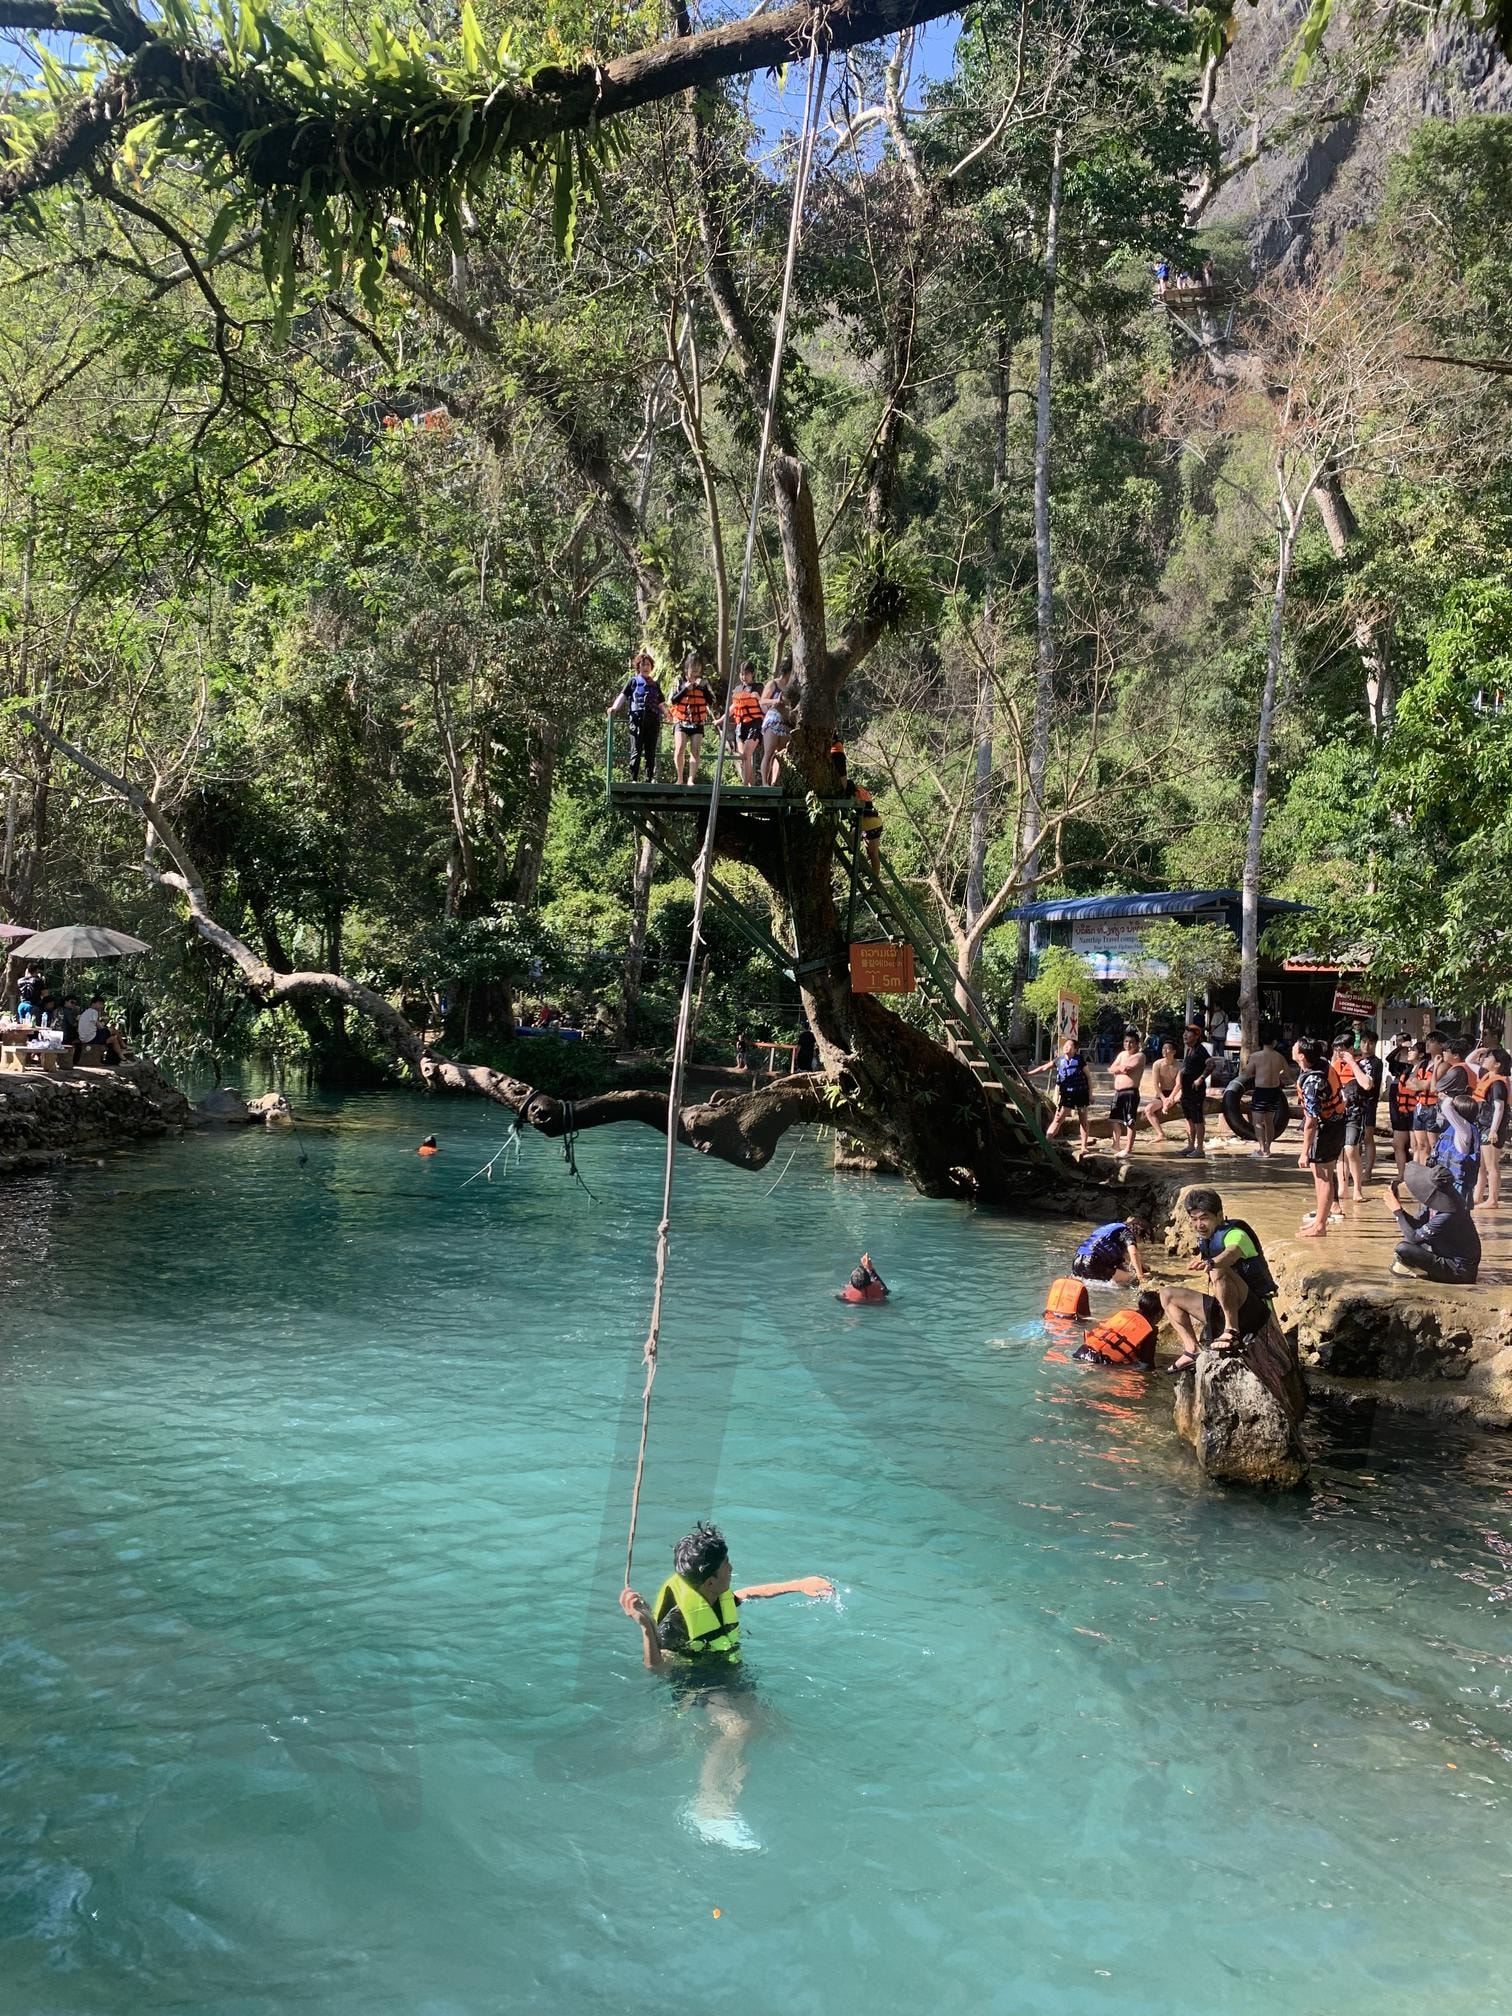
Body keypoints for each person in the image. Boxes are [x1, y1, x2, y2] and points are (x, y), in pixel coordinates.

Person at [619, 1523, 833, 1850]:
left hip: (727, 1673)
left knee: (776, 1729)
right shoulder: (676, 1619)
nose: (732, 1569)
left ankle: (742, 1793)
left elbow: (746, 1594)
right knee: (740, 1728)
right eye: (726, 1567)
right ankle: (708, 1812)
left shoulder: (715, 1593)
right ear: (710, 1581)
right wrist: (646, 1626)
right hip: (696, 1681)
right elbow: (657, 1668)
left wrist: (798, 1584)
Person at [1163, 1187, 1278, 1366]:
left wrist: (1212, 1263)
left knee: (1218, 1269)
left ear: (1219, 1215)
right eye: (1194, 1219)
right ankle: (1192, 1349)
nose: (1199, 1225)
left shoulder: (1236, 1234)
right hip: (1227, 1306)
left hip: (1255, 1312)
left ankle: (1232, 1331)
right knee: (1167, 1294)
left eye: (1204, 1218)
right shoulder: (1206, 1238)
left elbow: (1231, 1253)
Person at [1386, 1163, 1481, 1284]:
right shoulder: (1437, 1206)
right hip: (1446, 1253)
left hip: (1458, 1270)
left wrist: (1397, 1211)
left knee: (1403, 1248)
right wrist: (1400, 1210)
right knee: (1410, 1246)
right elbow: (1419, 1227)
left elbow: (1413, 1238)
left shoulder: (1448, 1214)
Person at [1295, 1037, 1347, 1238]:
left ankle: (1320, 1227)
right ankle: (1319, 1221)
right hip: (1335, 1123)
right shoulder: (1321, 1065)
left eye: (1295, 1047)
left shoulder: (1312, 1082)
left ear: (1301, 1056)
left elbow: (1311, 1121)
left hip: (1327, 1128)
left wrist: (1304, 1152)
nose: (1292, 1048)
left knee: (1323, 1177)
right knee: (1322, 1175)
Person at [607, 649, 664, 782]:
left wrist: (668, 714)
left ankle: (649, 778)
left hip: (653, 721)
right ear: (638, 666)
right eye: (643, 664)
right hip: (637, 720)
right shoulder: (633, 681)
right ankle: (634, 778)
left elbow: (660, 703)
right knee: (636, 750)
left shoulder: (655, 685)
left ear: (651, 667)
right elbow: (623, 696)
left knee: (651, 751)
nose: (646, 667)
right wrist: (614, 708)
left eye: (648, 665)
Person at [1235, 1030, 1290, 1159]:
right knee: (1269, 1121)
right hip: (1274, 1090)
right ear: (1274, 1043)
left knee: (1258, 1122)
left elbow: (1246, 1074)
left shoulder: (1256, 1056)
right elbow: (1288, 1073)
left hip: (1261, 1090)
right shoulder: (1279, 1057)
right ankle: (1268, 1148)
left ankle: (1261, 1149)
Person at [1033, 1035, 1092, 1155]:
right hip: (1066, 1095)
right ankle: (1046, 1141)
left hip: (1081, 1093)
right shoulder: (1059, 1060)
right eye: (1066, 1045)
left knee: (1083, 1120)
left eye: (1070, 1045)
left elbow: (1089, 1077)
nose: (1066, 1047)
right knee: (1058, 1119)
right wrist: (1028, 1074)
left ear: (1075, 1049)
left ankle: (1084, 1146)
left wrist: (1090, 1095)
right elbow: (1044, 1067)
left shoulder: (1080, 1060)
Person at [1074, 1290, 1162, 1368]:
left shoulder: (1124, 1314)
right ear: (1159, 1314)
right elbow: (1146, 1364)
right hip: (1102, 1362)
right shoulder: (1150, 1331)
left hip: (1082, 1351)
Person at [667, 651, 716, 785]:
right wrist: (684, 689)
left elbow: (711, 701)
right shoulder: (678, 680)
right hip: (681, 720)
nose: (695, 669)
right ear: (686, 667)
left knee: (695, 750)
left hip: (698, 720)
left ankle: (691, 779)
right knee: (680, 747)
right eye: (693, 666)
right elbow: (672, 700)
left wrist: (703, 688)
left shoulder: (704, 682)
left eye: (698, 666)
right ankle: (680, 778)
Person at [1071, 1214, 1150, 1287]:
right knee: (1131, 1278)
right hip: (1092, 1263)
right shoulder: (1127, 1232)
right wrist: (1141, 1276)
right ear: (1138, 1232)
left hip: (1077, 1261)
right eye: (1141, 1239)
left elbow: (1125, 1256)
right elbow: (1133, 1253)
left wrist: (1141, 1266)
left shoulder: (1111, 1228)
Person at [1474, 1047, 1509, 1211]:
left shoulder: (1497, 1083)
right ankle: (1477, 1196)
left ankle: (1492, 1199)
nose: (1485, 1059)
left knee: (1491, 1165)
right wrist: (1480, 1050)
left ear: (1497, 1064)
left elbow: (1499, 1108)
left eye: (1489, 1057)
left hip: (1491, 1127)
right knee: (1481, 1165)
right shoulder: (1488, 1076)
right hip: (1484, 1124)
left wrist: (1493, 1130)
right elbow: (1469, 1062)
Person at [721, 662, 766, 786]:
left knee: (746, 754)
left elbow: (764, 704)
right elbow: (732, 707)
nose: (743, 677)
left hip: (755, 725)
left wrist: (758, 698)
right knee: (743, 758)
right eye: (741, 674)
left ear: (752, 674)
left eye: (746, 674)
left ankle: (745, 785)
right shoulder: (737, 689)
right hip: (741, 727)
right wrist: (721, 720)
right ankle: (750, 785)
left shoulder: (759, 687)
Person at [1386, 1038, 1422, 1182]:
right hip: (1401, 1111)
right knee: (1397, 1144)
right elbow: (1389, 1059)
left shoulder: (1425, 1068)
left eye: (1413, 1050)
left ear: (1421, 1054)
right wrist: (1400, 1047)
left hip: (1416, 1112)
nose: (1409, 1052)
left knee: (1416, 1145)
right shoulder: (1404, 1068)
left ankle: (1416, 1175)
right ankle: (1401, 1174)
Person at [1351, 1028, 1383, 1183]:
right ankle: (1355, 1169)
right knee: (1354, 1138)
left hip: (1369, 1103)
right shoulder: (1355, 1060)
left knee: (1368, 1137)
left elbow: (1370, 1085)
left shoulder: (1377, 1063)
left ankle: (1368, 1170)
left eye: (1371, 1043)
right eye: (1364, 1042)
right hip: (1353, 1104)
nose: (1367, 1046)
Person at [1408, 1032, 1446, 1166]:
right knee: (1421, 1145)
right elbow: (1409, 1083)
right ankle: (1423, 1174)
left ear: (1441, 1045)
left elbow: (1428, 1085)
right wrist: (1419, 1084)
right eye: (1427, 1040)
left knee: (1435, 1146)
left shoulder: (1444, 1064)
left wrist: (1419, 1084)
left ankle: (1436, 1174)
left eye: (1432, 1041)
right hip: (1420, 1106)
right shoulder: (1423, 1063)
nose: (1428, 1044)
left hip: (1434, 1107)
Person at [1175, 1023, 1212, 1158]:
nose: (1185, 1035)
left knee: (1197, 1119)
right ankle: (1190, 1146)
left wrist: (1201, 1078)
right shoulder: (1189, 1050)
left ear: (1197, 1036)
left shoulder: (1200, 1050)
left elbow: (1211, 1064)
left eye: (1188, 1033)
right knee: (1188, 1119)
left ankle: (1200, 1148)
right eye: (1184, 1033)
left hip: (1196, 1091)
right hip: (1186, 1092)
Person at [1108, 1030, 1145, 1159]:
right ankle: (1116, 1145)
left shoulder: (1140, 1056)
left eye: (1131, 1042)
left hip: (1130, 1092)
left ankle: (1128, 1149)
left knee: (1129, 1121)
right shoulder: (1122, 1054)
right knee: (1114, 1119)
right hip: (1118, 1092)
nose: (1128, 1044)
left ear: (1137, 1044)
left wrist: (1118, 1069)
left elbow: (1128, 1070)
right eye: (1126, 1041)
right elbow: (1111, 1068)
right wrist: (1118, 1069)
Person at [1142, 1037, 1180, 1145]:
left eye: (1167, 1049)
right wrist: (1164, 1100)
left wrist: (1171, 1098)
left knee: (1181, 1094)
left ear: (1173, 1052)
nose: (1164, 1051)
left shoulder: (1179, 1065)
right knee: (1148, 1110)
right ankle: (1160, 1134)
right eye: (1163, 1048)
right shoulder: (1157, 1064)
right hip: (1162, 1093)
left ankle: (1168, 1106)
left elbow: (1178, 1084)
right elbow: (1155, 1084)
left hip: (1175, 1093)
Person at [759, 672, 793, 786]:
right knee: (769, 752)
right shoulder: (773, 683)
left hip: (786, 723)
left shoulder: (793, 686)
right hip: (773, 719)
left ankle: (774, 783)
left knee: (781, 755)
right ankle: (764, 783)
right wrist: (775, 701)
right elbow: (762, 701)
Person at [853, 783, 884, 875]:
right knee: (871, 853)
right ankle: (865, 869)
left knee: (873, 853)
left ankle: (875, 879)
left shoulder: (857, 794)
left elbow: (861, 810)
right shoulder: (861, 791)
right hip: (871, 825)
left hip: (871, 825)